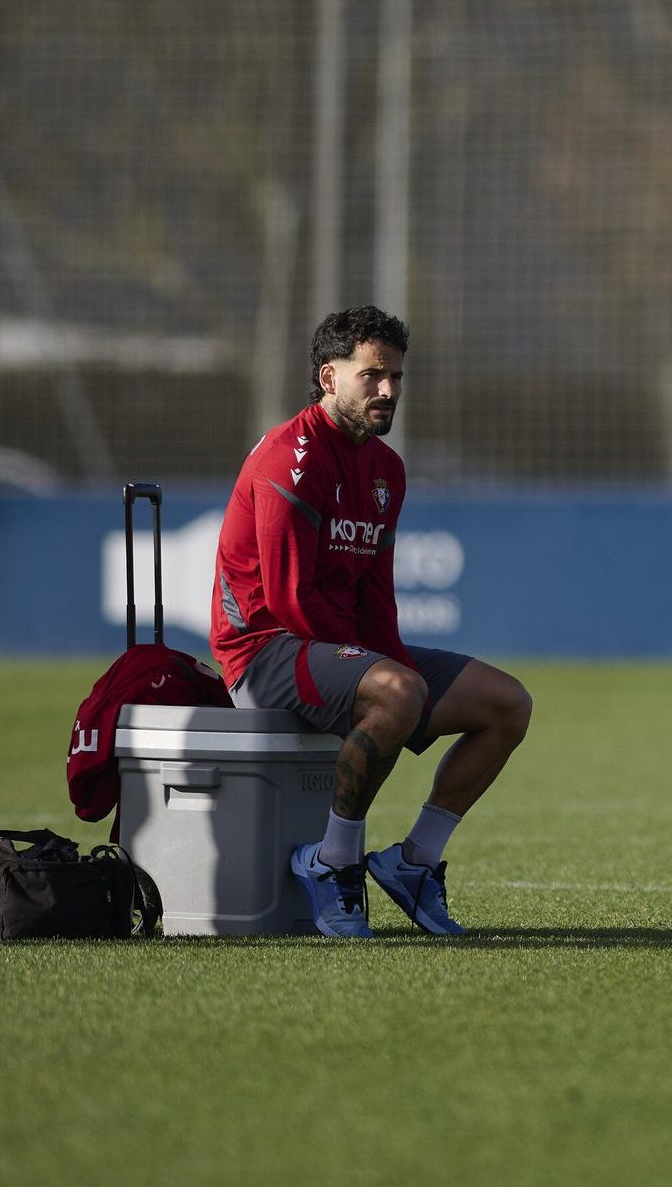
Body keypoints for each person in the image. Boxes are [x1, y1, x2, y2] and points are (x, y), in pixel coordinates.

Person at [210, 305, 534, 938]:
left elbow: (376, 595)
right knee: (397, 690)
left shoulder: (387, 469)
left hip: (341, 649)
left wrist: (393, 672)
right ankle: (333, 862)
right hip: (267, 649)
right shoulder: (289, 457)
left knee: (507, 705)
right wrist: (388, 682)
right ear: (329, 377)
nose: (389, 391)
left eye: (397, 378)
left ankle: (413, 864)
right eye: (373, 376)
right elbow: (287, 597)